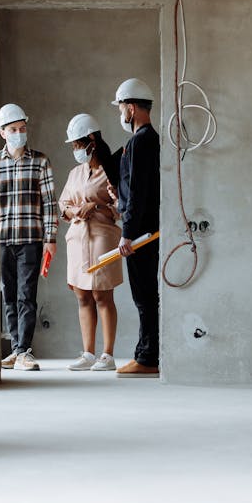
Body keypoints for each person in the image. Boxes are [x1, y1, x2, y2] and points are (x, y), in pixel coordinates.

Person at [58, 114, 123, 372]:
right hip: (76, 239)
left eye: (77, 145)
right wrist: (74, 212)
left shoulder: (112, 171)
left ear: (92, 141)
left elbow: (120, 207)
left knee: (102, 294)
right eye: (73, 145)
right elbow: (63, 205)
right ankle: (87, 353)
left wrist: (95, 205)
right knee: (82, 295)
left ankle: (107, 354)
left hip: (101, 237)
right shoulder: (75, 173)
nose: (75, 150)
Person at [0, 103, 58, 371]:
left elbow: (50, 204)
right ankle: (14, 348)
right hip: (1, 240)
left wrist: (51, 239)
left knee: (26, 295)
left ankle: (24, 350)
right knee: (8, 296)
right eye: (13, 129)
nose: (19, 133)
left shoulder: (40, 161)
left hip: (31, 240)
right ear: (2, 132)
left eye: (22, 128)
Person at [112, 78, 160, 377]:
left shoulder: (140, 141)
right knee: (145, 296)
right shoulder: (147, 140)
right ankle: (147, 354)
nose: (121, 113)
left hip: (141, 234)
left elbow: (139, 192)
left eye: (121, 107)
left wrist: (127, 233)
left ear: (131, 107)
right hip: (144, 229)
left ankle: (147, 357)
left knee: (144, 296)